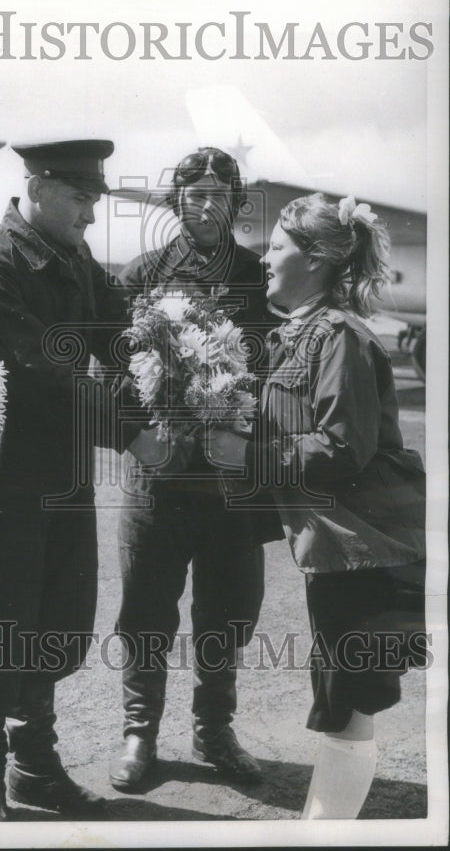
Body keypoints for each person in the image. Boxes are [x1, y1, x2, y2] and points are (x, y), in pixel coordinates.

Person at [0, 139, 164, 822]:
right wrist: (131, 431)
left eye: (95, 200)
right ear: (36, 189)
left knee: (51, 620)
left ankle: (34, 765)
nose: (90, 216)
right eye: (78, 199)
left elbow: (114, 335)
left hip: (60, 469)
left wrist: (165, 371)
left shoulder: (74, 261)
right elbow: (41, 367)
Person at [207, 192, 426, 819]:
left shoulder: (337, 336)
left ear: (319, 259)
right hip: (343, 549)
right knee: (342, 696)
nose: (264, 256)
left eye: (276, 246)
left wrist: (246, 454)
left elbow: (342, 451)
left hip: (367, 552)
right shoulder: (304, 332)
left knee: (348, 700)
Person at [108, 148, 280, 793]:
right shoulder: (141, 275)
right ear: (175, 200)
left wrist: (244, 419)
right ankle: (139, 731)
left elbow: (284, 373)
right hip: (159, 478)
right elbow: (112, 374)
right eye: (192, 192)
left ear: (236, 203)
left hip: (233, 484)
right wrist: (139, 434)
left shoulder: (262, 278)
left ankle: (214, 729)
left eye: (218, 192)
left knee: (229, 612)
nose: (205, 204)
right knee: (146, 610)